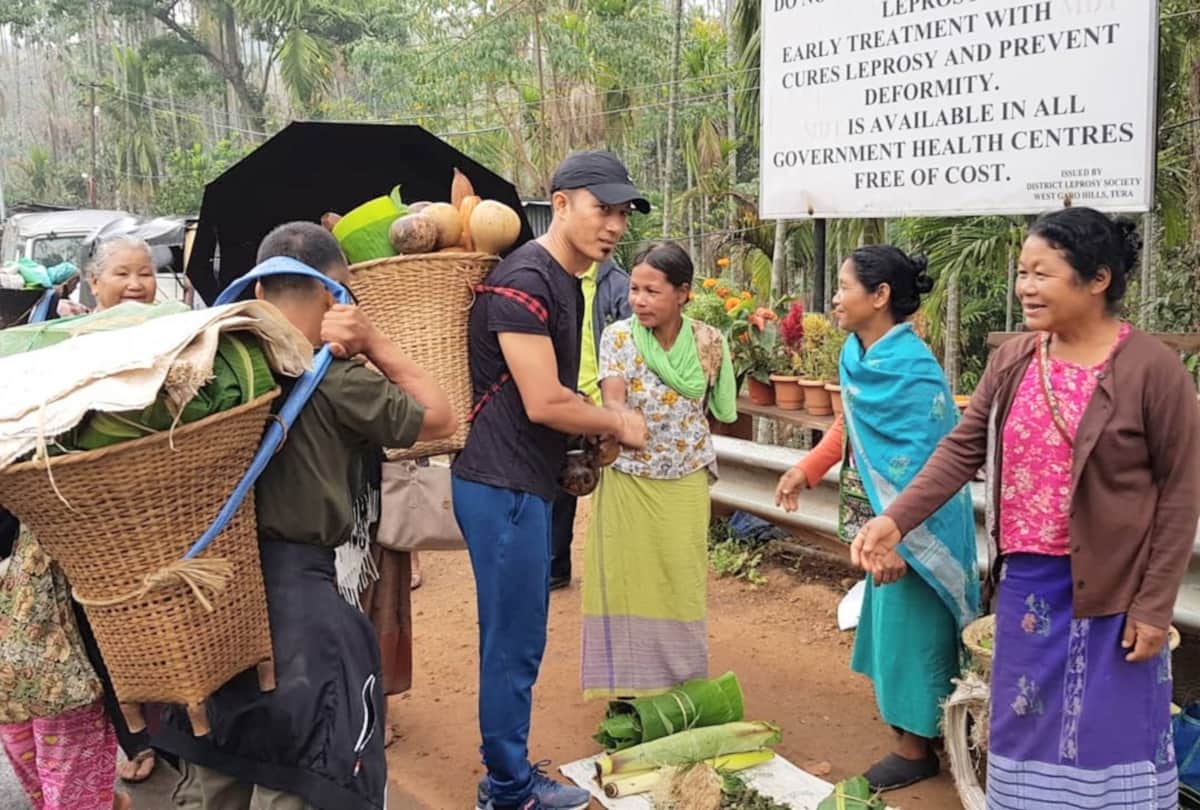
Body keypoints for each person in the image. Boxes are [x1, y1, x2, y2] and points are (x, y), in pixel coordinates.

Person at [854, 208, 1200, 809]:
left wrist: (1153, 604)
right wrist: (893, 518)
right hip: (1028, 587)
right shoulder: (1013, 360)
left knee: (1109, 729)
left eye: (1043, 273)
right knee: (1024, 724)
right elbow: (961, 449)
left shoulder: (1153, 370)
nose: (1025, 287)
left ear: (1096, 280)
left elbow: (1180, 491)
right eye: (1021, 271)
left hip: (1116, 591)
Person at [156, 223, 456, 810]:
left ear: (258, 295)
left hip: (210, 600)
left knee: (219, 759)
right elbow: (440, 417)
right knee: (299, 772)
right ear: (334, 297)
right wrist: (373, 341)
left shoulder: (211, 371)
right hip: (299, 604)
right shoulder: (339, 382)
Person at [452, 150, 649, 810]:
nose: (615, 225)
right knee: (513, 644)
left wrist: (584, 434)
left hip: (520, 481)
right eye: (603, 208)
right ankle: (507, 789)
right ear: (560, 203)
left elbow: (549, 399)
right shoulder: (528, 278)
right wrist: (616, 420)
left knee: (519, 637)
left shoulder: (566, 279)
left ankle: (507, 773)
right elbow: (543, 399)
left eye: (623, 213)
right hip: (501, 484)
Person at [773, 245, 977, 790]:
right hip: (881, 523)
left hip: (919, 526)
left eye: (843, 287)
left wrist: (898, 535)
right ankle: (913, 729)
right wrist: (808, 469)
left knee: (917, 630)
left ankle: (919, 747)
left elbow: (931, 457)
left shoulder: (913, 369)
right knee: (891, 628)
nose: (835, 298)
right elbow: (850, 425)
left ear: (879, 295)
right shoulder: (856, 354)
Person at [581, 242, 736, 699]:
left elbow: (722, 409)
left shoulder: (709, 341)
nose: (639, 300)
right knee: (626, 580)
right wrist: (618, 421)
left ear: (683, 293)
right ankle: (627, 687)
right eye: (634, 289)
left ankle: (680, 682)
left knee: (680, 578)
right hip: (629, 476)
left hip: (686, 475)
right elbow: (612, 400)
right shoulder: (619, 338)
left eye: (652, 291)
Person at [550, 257, 631, 591]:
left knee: (616, 496)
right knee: (560, 489)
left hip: (605, 409)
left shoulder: (618, 286)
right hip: (566, 403)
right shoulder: (554, 280)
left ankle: (617, 571)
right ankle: (556, 568)